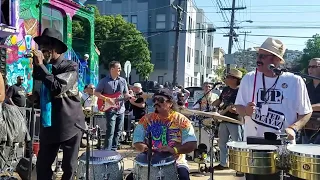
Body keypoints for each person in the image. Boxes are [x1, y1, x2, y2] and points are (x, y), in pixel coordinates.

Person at [235, 37, 312, 180]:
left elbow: (306, 112)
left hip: (284, 149)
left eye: (263, 56)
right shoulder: (249, 78)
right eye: (258, 55)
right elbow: (238, 106)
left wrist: (294, 128)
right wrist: (245, 111)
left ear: (276, 60)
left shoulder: (295, 81)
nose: (258, 59)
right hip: (255, 149)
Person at [32, 28, 85, 180]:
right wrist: (35, 97)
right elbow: (40, 90)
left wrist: (41, 66)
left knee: (68, 167)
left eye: (47, 45)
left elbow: (57, 88)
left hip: (70, 124)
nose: (43, 49)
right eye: (41, 45)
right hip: (49, 125)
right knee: (42, 167)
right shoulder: (40, 68)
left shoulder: (70, 67)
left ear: (58, 49)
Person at [126, 90, 197, 180]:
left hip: (176, 161)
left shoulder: (182, 120)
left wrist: (173, 150)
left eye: (160, 100)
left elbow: (192, 144)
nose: (156, 102)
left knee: (184, 177)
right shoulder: (146, 119)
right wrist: (145, 148)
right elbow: (137, 140)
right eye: (154, 99)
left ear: (170, 103)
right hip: (150, 161)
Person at [94, 61, 133, 150]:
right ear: (112, 69)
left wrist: (129, 96)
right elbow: (96, 93)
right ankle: (107, 150)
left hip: (121, 109)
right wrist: (107, 99)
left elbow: (126, 93)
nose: (120, 69)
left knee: (118, 131)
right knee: (110, 131)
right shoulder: (104, 81)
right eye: (118, 68)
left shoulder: (123, 81)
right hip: (109, 109)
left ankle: (114, 149)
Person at [212, 69, 243, 174]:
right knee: (222, 143)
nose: (226, 79)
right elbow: (220, 101)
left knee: (237, 144)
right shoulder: (225, 89)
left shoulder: (241, 90)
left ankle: (239, 167)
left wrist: (235, 109)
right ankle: (223, 163)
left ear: (235, 79)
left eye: (228, 77)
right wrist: (213, 104)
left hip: (235, 120)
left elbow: (241, 105)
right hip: (224, 119)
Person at [300, 58, 320, 144]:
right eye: (309, 67)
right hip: (306, 128)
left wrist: (307, 108)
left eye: (314, 67)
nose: (310, 69)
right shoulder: (306, 86)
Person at [80, 84, 98, 148]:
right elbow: (80, 105)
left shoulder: (97, 96)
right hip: (85, 114)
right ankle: (82, 141)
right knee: (84, 128)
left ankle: (97, 141)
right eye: (91, 88)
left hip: (96, 115)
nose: (92, 89)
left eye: (93, 88)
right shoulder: (83, 96)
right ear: (87, 89)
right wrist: (83, 109)